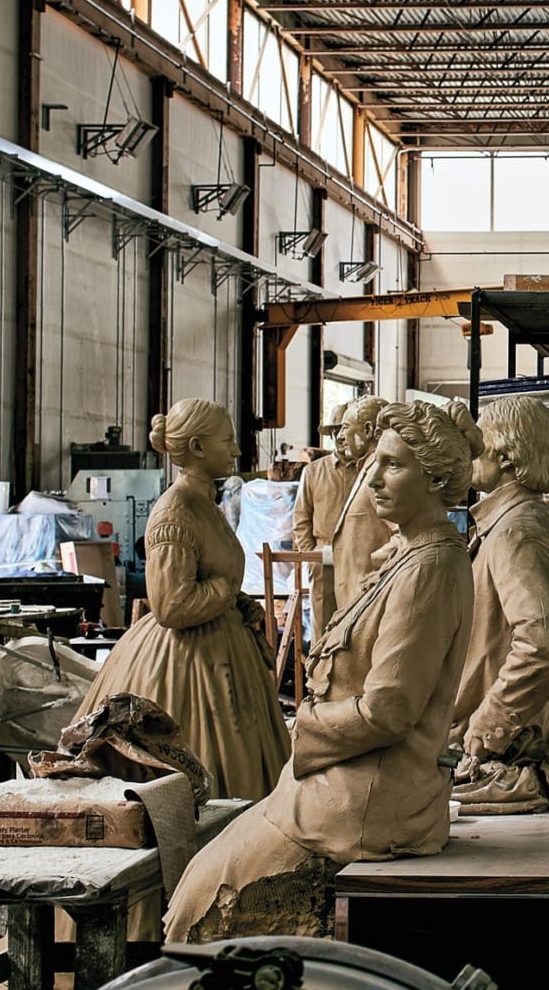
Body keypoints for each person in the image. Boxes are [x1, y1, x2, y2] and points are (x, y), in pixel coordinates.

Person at [164, 400, 477, 941]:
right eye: (374, 461)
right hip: (345, 774)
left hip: (372, 796)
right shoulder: (407, 553)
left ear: (437, 480)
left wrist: (305, 728)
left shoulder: (430, 567)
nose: (372, 479)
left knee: (207, 897)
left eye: (394, 466)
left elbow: (389, 709)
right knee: (201, 875)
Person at [72, 398, 287, 801]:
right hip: (187, 660)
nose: (237, 451)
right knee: (204, 769)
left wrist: (236, 600)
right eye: (228, 441)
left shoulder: (202, 503)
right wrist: (224, 591)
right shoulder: (176, 511)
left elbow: (209, 572)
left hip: (220, 649)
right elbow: (171, 605)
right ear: (199, 448)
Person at [449, 397, 549, 813]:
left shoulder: (517, 531)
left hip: (506, 749)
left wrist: (489, 726)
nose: (470, 454)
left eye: (478, 442)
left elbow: (543, 647)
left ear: (505, 453)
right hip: (494, 737)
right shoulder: (505, 523)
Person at [290, 395, 391, 637]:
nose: (339, 437)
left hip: (362, 561)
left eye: (343, 429)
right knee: (323, 630)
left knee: (357, 629)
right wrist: (314, 556)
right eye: (335, 431)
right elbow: (301, 521)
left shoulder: (371, 470)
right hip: (323, 561)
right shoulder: (314, 472)